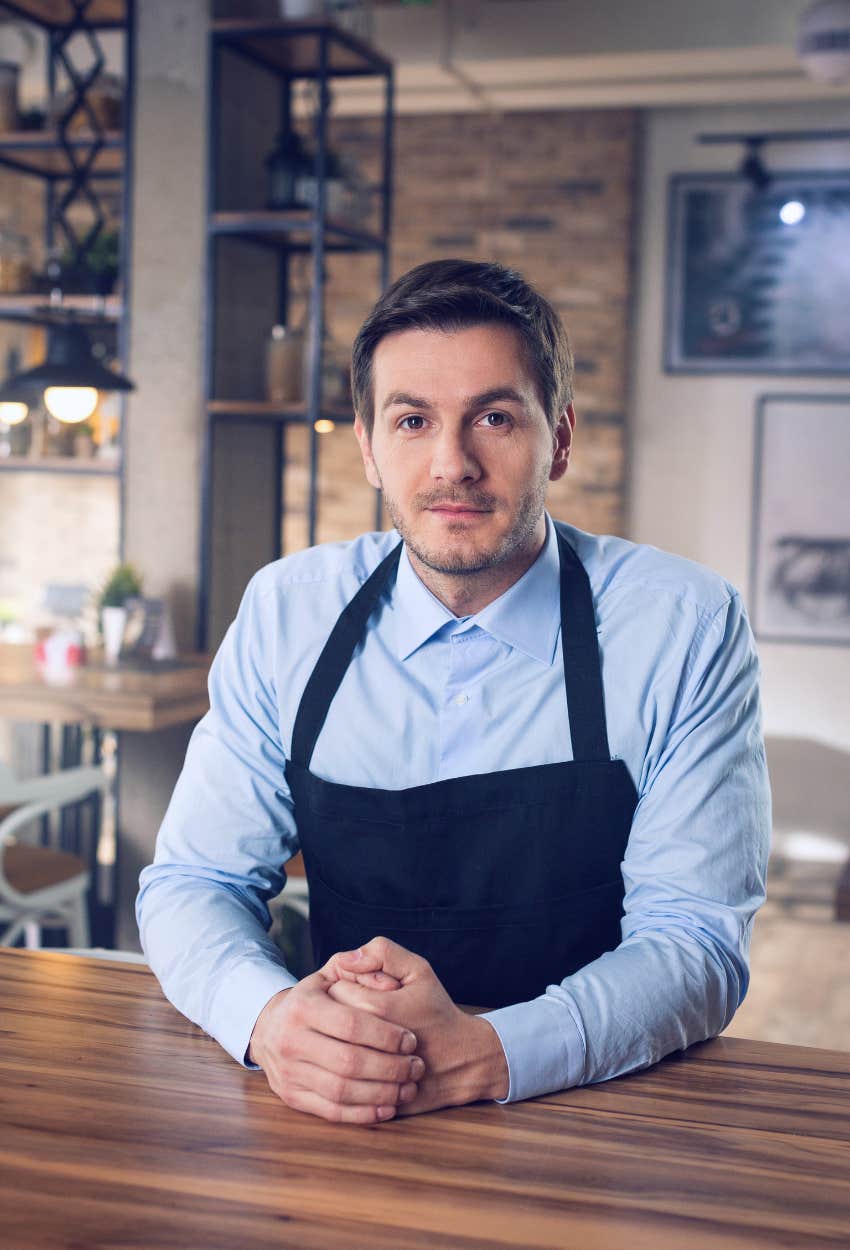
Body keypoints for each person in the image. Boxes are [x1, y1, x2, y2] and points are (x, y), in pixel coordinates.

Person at [137, 259, 770, 1125]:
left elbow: (697, 943)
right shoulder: (288, 614)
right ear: (367, 446)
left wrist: (489, 1054)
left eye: (495, 418)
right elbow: (192, 881)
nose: (452, 464)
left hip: (600, 1112)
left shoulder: (685, 626)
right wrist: (272, 1020)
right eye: (412, 419)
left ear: (561, 437)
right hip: (345, 1113)